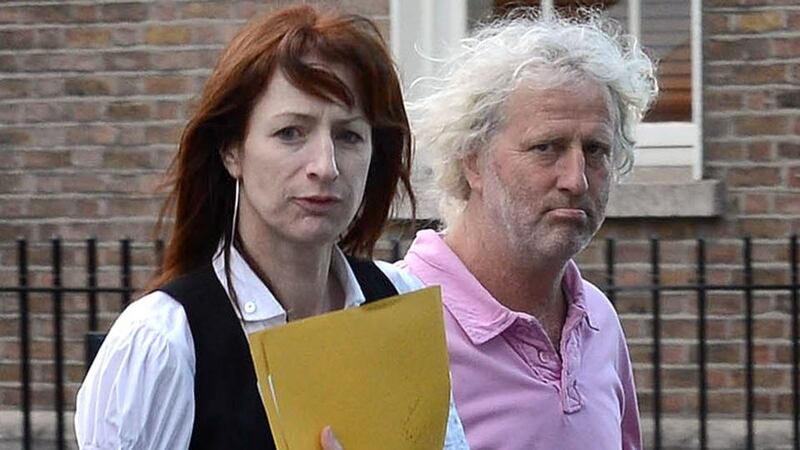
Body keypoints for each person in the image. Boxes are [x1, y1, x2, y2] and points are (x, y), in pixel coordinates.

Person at [74, 5, 467, 449]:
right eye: (291, 133)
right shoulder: (164, 342)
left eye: (349, 135)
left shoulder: (400, 299)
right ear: (232, 151)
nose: (326, 166)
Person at [398, 8, 658, 450]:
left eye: (595, 150)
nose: (576, 178)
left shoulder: (598, 320)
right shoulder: (398, 322)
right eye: (547, 148)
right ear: (472, 161)